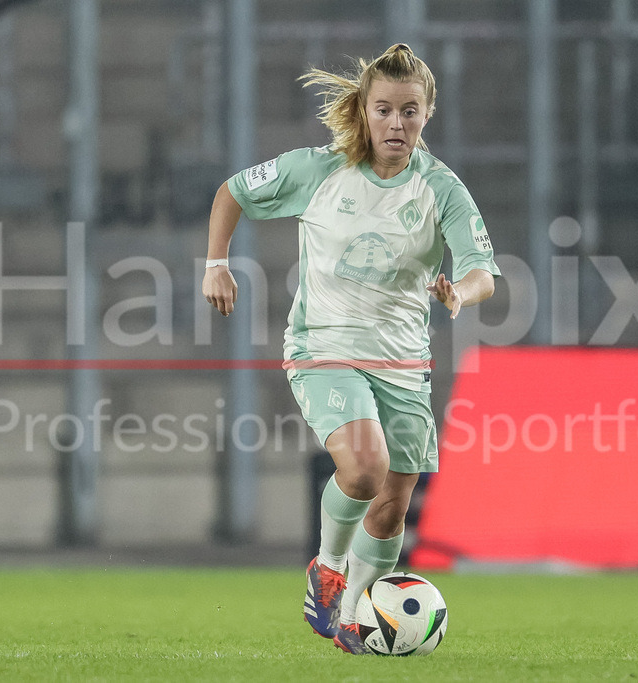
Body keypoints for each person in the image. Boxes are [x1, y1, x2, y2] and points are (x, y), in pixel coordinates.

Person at [202, 43, 499, 655]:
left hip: (405, 361)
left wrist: (457, 294)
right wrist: (215, 264)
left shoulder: (440, 188)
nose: (397, 123)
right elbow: (233, 190)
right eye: (385, 110)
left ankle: (354, 621)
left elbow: (482, 270)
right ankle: (328, 567)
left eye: (409, 111)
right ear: (364, 112)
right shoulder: (318, 170)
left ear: (427, 114)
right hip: (324, 348)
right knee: (364, 470)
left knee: (393, 504)